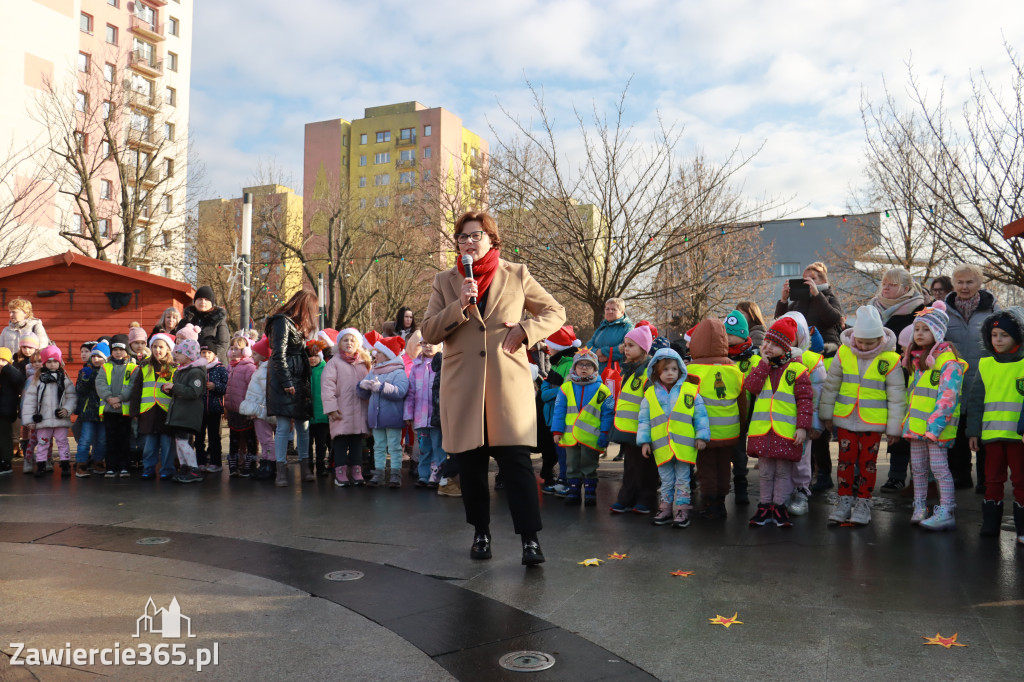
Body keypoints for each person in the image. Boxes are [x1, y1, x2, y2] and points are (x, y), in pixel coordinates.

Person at [421, 210, 565, 566]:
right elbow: (429, 331)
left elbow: (555, 312)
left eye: (476, 235)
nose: (469, 242)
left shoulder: (516, 273)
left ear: (491, 239)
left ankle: (530, 540)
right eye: (463, 237)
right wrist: (459, 305)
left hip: (507, 387)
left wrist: (526, 330)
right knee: (470, 467)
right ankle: (480, 533)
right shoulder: (445, 280)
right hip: (463, 388)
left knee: (516, 464)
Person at [819, 307, 906, 526]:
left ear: (880, 339)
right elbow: (831, 385)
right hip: (845, 418)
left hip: (873, 422)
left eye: (870, 343)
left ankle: (864, 502)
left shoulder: (890, 359)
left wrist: (894, 429)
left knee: (868, 463)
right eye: (860, 342)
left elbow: (897, 396)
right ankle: (843, 501)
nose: (864, 347)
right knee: (845, 462)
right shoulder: (843, 353)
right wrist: (826, 415)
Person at [744, 317, 815, 528]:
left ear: (785, 348)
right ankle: (765, 505)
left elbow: (805, 401)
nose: (767, 347)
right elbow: (751, 386)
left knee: (783, 472)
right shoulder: (760, 365)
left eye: (774, 344)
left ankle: (779, 505)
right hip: (763, 430)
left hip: (785, 431)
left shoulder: (797, 370)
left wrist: (802, 427)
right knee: (765, 472)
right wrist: (764, 365)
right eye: (766, 342)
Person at [901, 302, 965, 530]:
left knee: (939, 470)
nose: (919, 333)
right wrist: (907, 423)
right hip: (916, 428)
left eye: (926, 329)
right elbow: (912, 396)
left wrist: (935, 428)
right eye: (917, 329)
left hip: (936, 430)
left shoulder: (948, 363)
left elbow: (948, 398)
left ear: (938, 332)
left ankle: (946, 510)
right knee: (918, 470)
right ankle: (920, 506)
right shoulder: (917, 361)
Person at [864, 268, 927, 494]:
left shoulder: (919, 310)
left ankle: (898, 476)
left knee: (900, 423)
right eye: (884, 283)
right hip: (872, 373)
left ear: (907, 288)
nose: (886, 288)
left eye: (892, 284)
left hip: (904, 373)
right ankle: (863, 473)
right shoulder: (871, 308)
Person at [966, 307, 1024, 540]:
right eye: (993, 335)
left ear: (1017, 337)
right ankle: (990, 524)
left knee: (1021, 480)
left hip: (1018, 437)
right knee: (992, 480)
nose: (998, 340)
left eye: (1004, 335)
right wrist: (973, 431)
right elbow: (976, 401)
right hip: (991, 437)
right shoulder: (986, 365)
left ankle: (1022, 528)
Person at [942, 263, 1000, 492]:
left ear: (979, 283)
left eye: (969, 282)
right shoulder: (943, 310)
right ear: (953, 283)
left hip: (984, 379)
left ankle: (986, 479)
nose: (964, 287)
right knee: (956, 430)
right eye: (960, 282)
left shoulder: (993, 310)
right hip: (953, 381)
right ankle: (961, 475)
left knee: (983, 431)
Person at [637, 347, 710, 528]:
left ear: (680, 370)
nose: (670, 373)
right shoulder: (650, 394)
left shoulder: (690, 391)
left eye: (674, 369)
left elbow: (700, 415)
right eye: (665, 369)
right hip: (661, 445)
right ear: (656, 372)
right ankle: (665, 509)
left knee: (683, 480)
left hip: (685, 445)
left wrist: (701, 436)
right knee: (666, 480)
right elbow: (644, 420)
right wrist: (644, 441)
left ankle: (682, 510)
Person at [687, 318, 748, 519]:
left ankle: (711, 503)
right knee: (723, 467)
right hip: (730, 431)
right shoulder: (735, 370)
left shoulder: (691, 371)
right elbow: (742, 405)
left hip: (703, 431)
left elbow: (685, 404)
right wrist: (741, 427)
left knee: (706, 468)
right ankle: (721, 501)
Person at [265, 290, 318, 487]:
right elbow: (278, 354)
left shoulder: (295, 324)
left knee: (303, 425)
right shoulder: (282, 322)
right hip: (285, 379)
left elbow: (293, 351)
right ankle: (281, 470)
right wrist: (287, 382)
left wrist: (310, 352)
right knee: (284, 426)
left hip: (298, 378)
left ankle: (305, 467)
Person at [551, 348, 614, 506]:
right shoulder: (566, 388)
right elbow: (559, 410)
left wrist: (605, 433)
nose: (584, 368)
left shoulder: (602, 390)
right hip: (570, 436)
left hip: (591, 437)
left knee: (589, 466)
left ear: (595, 368)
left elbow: (607, 414)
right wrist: (557, 431)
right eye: (580, 364)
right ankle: (573, 492)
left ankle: (590, 493)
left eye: (588, 365)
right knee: (571, 465)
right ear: (574, 367)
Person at [609, 325, 656, 514]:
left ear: (643, 348)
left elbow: (652, 402)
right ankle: (627, 498)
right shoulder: (630, 369)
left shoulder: (648, 372)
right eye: (625, 345)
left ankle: (646, 499)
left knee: (645, 467)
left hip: (643, 428)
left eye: (631, 345)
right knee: (630, 466)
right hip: (630, 428)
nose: (626, 349)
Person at [321, 328, 371, 488]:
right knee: (341, 442)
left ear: (358, 344)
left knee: (357, 442)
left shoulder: (363, 363)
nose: (349, 343)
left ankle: (357, 471)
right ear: (339, 343)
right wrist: (331, 408)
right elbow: (327, 387)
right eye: (345, 340)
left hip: (360, 411)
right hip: (341, 410)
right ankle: (340, 472)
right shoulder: (334, 363)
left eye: (352, 340)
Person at [358, 336, 409, 488]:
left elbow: (401, 391)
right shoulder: (374, 370)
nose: (375, 354)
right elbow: (363, 393)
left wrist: (381, 387)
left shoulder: (399, 372)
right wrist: (362, 386)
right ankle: (379, 473)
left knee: (394, 447)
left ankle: (395, 474)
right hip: (376, 417)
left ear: (387, 355)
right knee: (378, 446)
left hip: (392, 416)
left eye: (378, 352)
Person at [128, 332, 177, 480]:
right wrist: (134, 411)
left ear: (168, 349)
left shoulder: (174, 368)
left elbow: (177, 391)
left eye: (161, 347)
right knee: (149, 446)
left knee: (167, 445)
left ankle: (167, 469)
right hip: (148, 413)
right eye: (154, 347)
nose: (157, 350)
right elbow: (136, 391)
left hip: (166, 413)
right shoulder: (144, 367)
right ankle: (148, 469)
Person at [20, 345, 75, 478]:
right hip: (43, 419)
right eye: (49, 362)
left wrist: (67, 409)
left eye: (55, 361)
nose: (52, 364)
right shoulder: (37, 380)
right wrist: (30, 419)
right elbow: (30, 401)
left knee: (62, 442)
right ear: (44, 363)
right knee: (43, 443)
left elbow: (71, 397)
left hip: (60, 418)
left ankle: (65, 466)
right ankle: (41, 466)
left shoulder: (64, 379)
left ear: (59, 362)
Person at [539, 326, 580, 496]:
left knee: (565, 454)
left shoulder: (568, 364)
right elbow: (547, 387)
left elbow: (555, 393)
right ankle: (563, 480)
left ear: (558, 346)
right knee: (560, 452)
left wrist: (547, 391)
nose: (548, 348)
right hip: (555, 417)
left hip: (564, 417)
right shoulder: (558, 363)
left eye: (551, 344)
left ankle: (568, 483)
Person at [163, 339, 207, 484]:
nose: (175, 355)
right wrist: (170, 390)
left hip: (187, 414)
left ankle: (194, 470)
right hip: (180, 414)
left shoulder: (196, 372)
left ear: (189, 355)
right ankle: (185, 467)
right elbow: (180, 391)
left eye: (179, 353)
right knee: (179, 441)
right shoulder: (181, 370)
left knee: (182, 442)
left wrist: (174, 387)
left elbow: (194, 392)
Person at [774, 262, 844, 350]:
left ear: (824, 281)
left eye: (813, 278)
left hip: (826, 347)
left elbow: (833, 319)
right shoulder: (798, 302)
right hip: (802, 349)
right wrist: (784, 300)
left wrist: (817, 295)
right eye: (805, 279)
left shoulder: (830, 298)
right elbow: (780, 324)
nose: (808, 281)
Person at [405, 337, 445, 487]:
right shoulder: (416, 366)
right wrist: (408, 414)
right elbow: (411, 392)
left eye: (432, 343)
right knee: (424, 448)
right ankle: (424, 475)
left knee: (438, 446)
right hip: (420, 417)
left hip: (436, 416)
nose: (428, 346)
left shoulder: (443, 364)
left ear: (440, 346)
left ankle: (437, 475)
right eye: (424, 343)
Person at [97, 334, 136, 478]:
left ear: (127, 351)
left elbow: (132, 386)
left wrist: (119, 398)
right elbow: (100, 384)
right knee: (110, 439)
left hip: (124, 410)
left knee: (124, 439)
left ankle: (124, 466)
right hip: (109, 409)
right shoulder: (105, 367)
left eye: (121, 349)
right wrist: (109, 399)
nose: (118, 352)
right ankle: (111, 467)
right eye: (115, 350)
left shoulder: (133, 368)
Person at [239, 336, 277, 480]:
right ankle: (266, 462)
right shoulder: (262, 368)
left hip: (261, 411)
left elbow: (266, 393)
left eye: (255, 353)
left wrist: (257, 409)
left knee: (265, 438)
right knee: (264, 438)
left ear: (264, 355)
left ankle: (270, 464)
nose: (252, 356)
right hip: (260, 410)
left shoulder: (264, 371)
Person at [224, 334, 257, 477]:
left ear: (245, 351)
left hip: (245, 409)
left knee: (249, 437)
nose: (233, 351)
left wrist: (252, 406)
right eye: (232, 348)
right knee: (234, 437)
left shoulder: (249, 367)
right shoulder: (229, 367)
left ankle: (251, 462)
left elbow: (253, 388)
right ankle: (234, 462)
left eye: (237, 348)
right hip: (232, 409)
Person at [75, 342, 108, 476]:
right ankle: (81, 464)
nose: (95, 359)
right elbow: (80, 390)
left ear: (105, 358)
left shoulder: (109, 371)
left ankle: (98, 462)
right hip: (88, 411)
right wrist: (85, 379)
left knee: (102, 439)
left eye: (99, 356)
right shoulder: (85, 371)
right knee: (85, 439)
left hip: (104, 411)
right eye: (93, 356)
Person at [175, 287, 230, 364]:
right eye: (200, 299)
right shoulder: (186, 321)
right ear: (195, 302)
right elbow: (177, 341)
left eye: (206, 300)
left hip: (213, 364)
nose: (203, 302)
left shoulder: (219, 321)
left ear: (212, 303)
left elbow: (223, 344)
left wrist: (209, 358)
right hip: (189, 363)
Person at [196, 345, 228, 474]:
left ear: (214, 354)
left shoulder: (220, 368)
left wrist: (215, 386)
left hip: (214, 408)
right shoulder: (196, 368)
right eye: (203, 352)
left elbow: (226, 387)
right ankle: (200, 462)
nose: (206, 355)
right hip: (199, 409)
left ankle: (216, 462)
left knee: (214, 437)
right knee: (199, 437)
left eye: (209, 352)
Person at [306, 339, 332, 477]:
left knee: (321, 443)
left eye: (315, 356)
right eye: (309, 356)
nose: (312, 359)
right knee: (307, 443)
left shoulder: (326, 369)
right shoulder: (304, 370)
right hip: (307, 414)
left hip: (322, 414)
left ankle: (321, 466)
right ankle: (309, 467)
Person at [0, 347, 26, 475]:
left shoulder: (10, 373)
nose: (0, 363)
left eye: (3, 360)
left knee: (4, 436)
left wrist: (6, 368)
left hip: (5, 411)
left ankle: (6, 462)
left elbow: (19, 379)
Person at [586, 298, 633, 366]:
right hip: (596, 368)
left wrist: (604, 352)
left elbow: (627, 348)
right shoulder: (603, 326)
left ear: (622, 312)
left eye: (613, 309)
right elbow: (589, 344)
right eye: (607, 309)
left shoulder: (627, 327)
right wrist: (595, 353)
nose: (609, 311)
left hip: (616, 369)